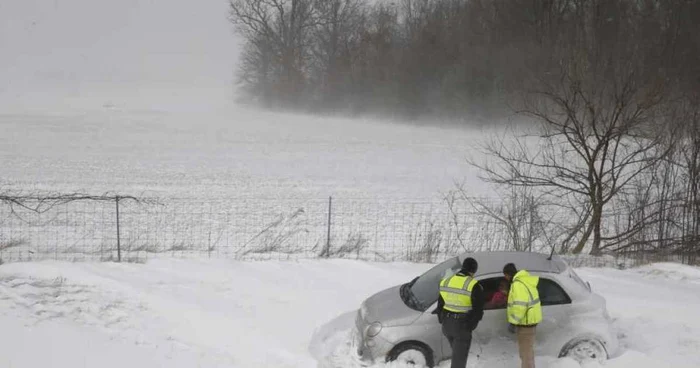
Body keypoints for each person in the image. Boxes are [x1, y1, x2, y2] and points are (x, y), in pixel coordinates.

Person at [435, 257, 485, 368]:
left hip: (447, 325)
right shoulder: (473, 285)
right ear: (473, 271)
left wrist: (442, 319)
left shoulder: (446, 281)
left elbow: (440, 304)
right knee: (459, 361)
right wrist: (470, 326)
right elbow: (478, 310)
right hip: (461, 326)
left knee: (457, 354)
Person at [503, 263, 543, 368]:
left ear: (508, 274)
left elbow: (520, 306)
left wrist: (513, 322)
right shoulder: (525, 280)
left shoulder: (518, 284)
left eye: (505, 275)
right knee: (527, 353)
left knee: (526, 355)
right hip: (529, 322)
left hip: (525, 323)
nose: (505, 278)